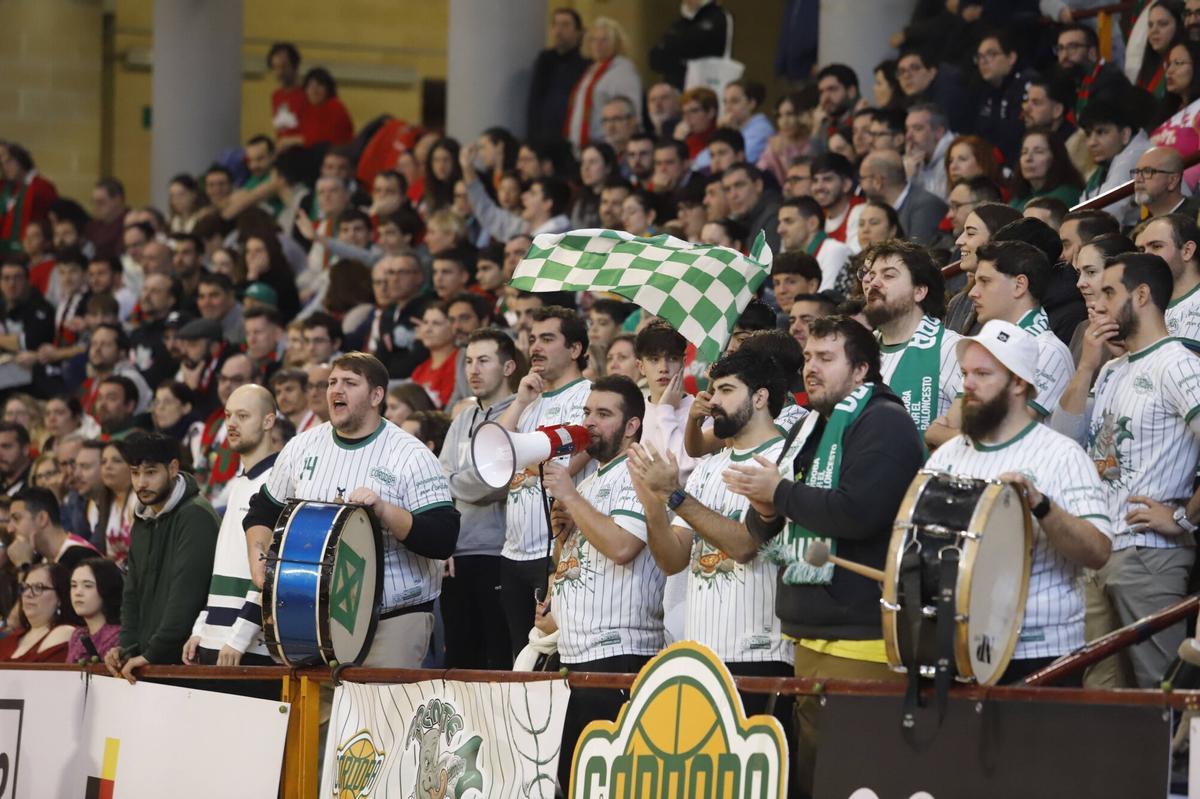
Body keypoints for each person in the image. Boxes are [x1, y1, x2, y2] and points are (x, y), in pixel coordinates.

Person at [722, 316, 924, 795]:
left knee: (858, 777)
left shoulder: (885, 422)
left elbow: (859, 512)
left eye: (826, 358)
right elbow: (765, 528)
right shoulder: (809, 425)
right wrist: (765, 507)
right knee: (818, 775)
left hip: (863, 635)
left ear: (861, 369)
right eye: (808, 357)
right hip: (809, 633)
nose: (810, 367)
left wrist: (779, 493)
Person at [244, 352, 460, 668]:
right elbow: (262, 510)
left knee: (381, 703)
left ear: (376, 395)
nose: (336, 389)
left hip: (393, 618)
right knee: (318, 703)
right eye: (332, 382)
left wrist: (384, 510)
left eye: (349, 382)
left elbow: (443, 537)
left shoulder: (411, 455)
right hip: (310, 617)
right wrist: (258, 560)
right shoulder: (301, 447)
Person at [926, 320, 1113, 683]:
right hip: (961, 645)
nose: (967, 385)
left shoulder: (1062, 455)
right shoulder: (946, 456)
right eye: (965, 373)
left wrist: (1041, 506)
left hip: (1043, 652)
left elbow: (1098, 551)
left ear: (1018, 383)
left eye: (982, 374)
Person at [1052, 253, 1200, 689]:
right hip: (1100, 550)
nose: (1097, 303)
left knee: (1159, 690)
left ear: (1142, 295)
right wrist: (1086, 365)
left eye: (1109, 292)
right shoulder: (1113, 368)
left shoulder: (1179, 363)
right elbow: (1065, 440)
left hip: (1149, 555)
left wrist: (1183, 518)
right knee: (1098, 689)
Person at [630, 347, 797, 707]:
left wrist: (672, 494)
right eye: (713, 390)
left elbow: (744, 546)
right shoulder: (707, 467)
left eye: (726, 390)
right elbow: (673, 560)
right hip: (702, 657)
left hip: (760, 654)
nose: (712, 401)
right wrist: (653, 504)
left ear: (760, 398)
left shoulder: (786, 459)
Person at [544, 375, 665, 788]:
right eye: (586, 412)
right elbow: (575, 564)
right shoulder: (593, 479)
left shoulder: (640, 473)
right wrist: (563, 540)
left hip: (619, 654)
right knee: (574, 781)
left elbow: (622, 546)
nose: (589, 422)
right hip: (577, 653)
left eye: (603, 414)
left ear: (632, 425)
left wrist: (570, 497)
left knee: (609, 783)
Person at [495, 307, 592, 657]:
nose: (535, 347)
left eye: (548, 339)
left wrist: (527, 458)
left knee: (552, 656)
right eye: (533, 339)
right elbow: (493, 455)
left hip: (555, 551)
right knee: (518, 657)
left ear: (575, 349)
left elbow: (566, 465)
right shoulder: (528, 399)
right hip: (513, 550)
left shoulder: (590, 397)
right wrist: (520, 401)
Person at [104, 433, 220, 682]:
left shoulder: (195, 516)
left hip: (186, 666)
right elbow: (132, 594)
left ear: (173, 468)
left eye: (150, 472)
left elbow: (186, 597)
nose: (141, 483)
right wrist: (126, 648)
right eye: (135, 473)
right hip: (150, 662)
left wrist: (152, 654)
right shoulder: (142, 520)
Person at [184, 385, 280, 672]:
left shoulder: (277, 482)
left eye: (243, 416)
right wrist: (202, 628)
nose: (231, 424)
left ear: (268, 421)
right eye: (228, 416)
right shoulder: (239, 483)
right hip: (218, 640)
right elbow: (225, 564)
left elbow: (272, 569)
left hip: (249, 647)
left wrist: (239, 638)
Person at [438, 329, 518, 669]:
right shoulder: (462, 418)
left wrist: (460, 481)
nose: (473, 369)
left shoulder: (523, 413)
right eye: (469, 361)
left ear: (508, 367)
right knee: (458, 663)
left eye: (484, 361)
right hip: (458, 556)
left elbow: (499, 483)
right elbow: (439, 482)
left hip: (500, 553)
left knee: (498, 662)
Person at [860, 240, 962, 442]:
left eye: (888, 275)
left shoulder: (952, 349)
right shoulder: (857, 352)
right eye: (871, 275)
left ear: (919, 291)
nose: (873, 283)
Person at [969, 241, 1076, 418]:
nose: (972, 292)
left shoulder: (1047, 351)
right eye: (975, 282)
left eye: (985, 281)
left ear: (1019, 286)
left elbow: (1002, 429)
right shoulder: (987, 343)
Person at [564, 18, 642, 152]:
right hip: (584, 146)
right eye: (594, 40)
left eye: (604, 40)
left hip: (608, 145)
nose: (597, 45)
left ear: (616, 43)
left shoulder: (623, 71)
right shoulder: (591, 70)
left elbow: (631, 111)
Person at [947, 202, 1023, 335]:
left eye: (970, 233)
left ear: (997, 240)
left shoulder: (1016, 303)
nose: (959, 241)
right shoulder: (958, 302)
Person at [1077, 97, 1150, 225]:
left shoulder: (1134, 156)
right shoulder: (1107, 164)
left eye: (1101, 132)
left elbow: (1105, 215)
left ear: (1125, 134)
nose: (1092, 143)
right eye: (1088, 134)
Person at [1135, 214, 1200, 347]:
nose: (1145, 256)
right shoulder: (1147, 301)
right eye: (1142, 250)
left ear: (1187, 251)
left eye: (1156, 246)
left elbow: (1187, 359)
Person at [527, 8, 591, 143]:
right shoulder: (545, 59)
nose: (559, 30)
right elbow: (535, 101)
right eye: (555, 25)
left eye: (565, 25)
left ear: (578, 32)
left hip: (573, 132)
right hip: (545, 133)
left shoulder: (586, 63)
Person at [858, 149, 946, 245]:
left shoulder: (925, 205)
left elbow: (918, 250)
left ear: (878, 181)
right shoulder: (879, 208)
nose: (860, 185)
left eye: (862, 178)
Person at [973, 30, 1034, 166]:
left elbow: (1016, 135)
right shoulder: (986, 91)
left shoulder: (1027, 85)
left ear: (1011, 57)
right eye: (979, 57)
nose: (983, 61)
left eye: (990, 54)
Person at [8, 486, 98, 573]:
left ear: (42, 519)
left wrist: (22, 565)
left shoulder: (82, 559)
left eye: (16, 518)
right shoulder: (38, 559)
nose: (10, 529)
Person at [0, 562, 77, 662]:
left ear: (60, 597)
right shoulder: (10, 639)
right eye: (25, 587)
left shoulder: (65, 632)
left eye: (38, 588)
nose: (28, 594)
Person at [777, 196, 852, 293]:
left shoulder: (834, 251)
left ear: (812, 223)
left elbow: (826, 298)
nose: (780, 230)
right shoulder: (795, 258)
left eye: (788, 221)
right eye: (780, 222)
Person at [648, 0, 729, 89]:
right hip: (676, 88)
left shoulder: (718, 17)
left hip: (706, 86)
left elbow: (698, 48)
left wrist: (674, 50)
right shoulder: (678, 24)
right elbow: (655, 59)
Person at [1010, 128, 1085, 211]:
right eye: (1024, 152)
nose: (1028, 158)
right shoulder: (1018, 200)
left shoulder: (1066, 195)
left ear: (1056, 157)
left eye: (1038, 151)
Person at [66, 557, 123, 663]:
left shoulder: (119, 636)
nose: (77, 592)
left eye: (88, 586)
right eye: (73, 585)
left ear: (106, 589)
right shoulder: (77, 635)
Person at [810, 153, 865, 253]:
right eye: (815, 180)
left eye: (827, 179)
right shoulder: (815, 217)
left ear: (846, 185)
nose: (819, 187)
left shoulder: (862, 211)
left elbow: (852, 257)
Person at [904, 103, 955, 202]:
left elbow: (936, 206)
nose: (908, 136)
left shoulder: (953, 159)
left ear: (939, 132)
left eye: (917, 129)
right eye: (907, 129)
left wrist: (911, 179)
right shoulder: (915, 159)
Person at [1133, 146, 1200, 220]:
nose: (1138, 179)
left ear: (1172, 180)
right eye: (1137, 172)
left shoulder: (1196, 216)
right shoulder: (1142, 224)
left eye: (1147, 171)